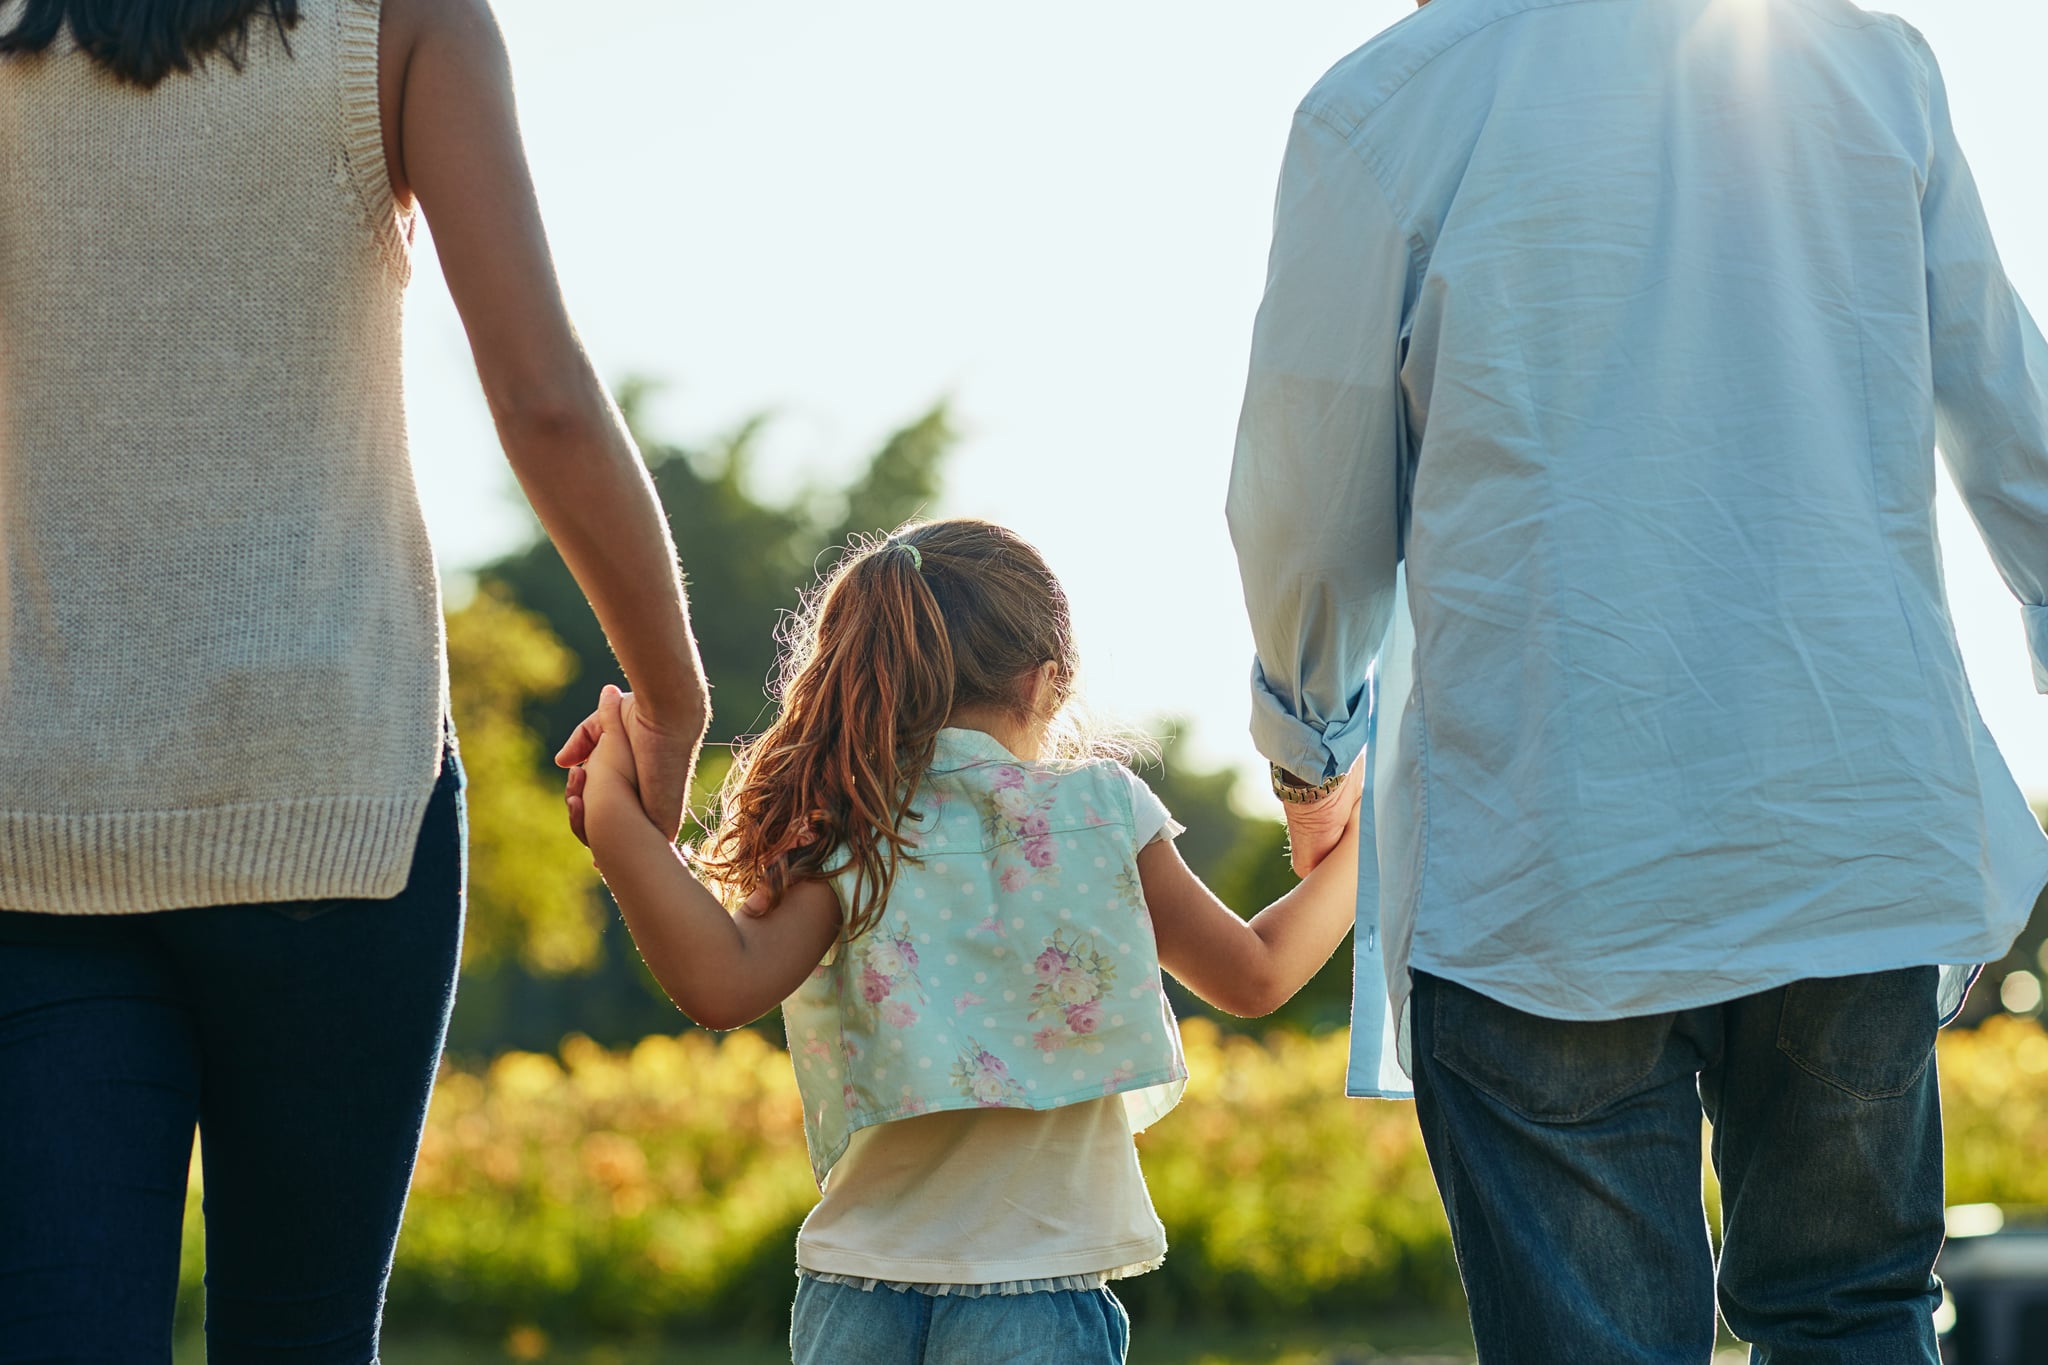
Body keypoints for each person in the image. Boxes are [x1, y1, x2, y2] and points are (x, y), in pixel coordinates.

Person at [1227, 0, 2048, 1360]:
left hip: (1549, 850)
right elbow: (2011, 406)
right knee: (1851, 1316)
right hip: (1848, 823)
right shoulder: (1866, 62)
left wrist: (1312, 743)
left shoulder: (1385, 107)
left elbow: (1309, 504)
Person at [0, 0, 708, 1359]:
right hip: (339, 806)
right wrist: (670, 694)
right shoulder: (403, 19)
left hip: (42, 818)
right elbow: (541, 395)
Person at [566, 517, 1363, 1365]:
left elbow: (721, 983)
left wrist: (618, 818)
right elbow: (1257, 975)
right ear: (1044, 680)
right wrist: (1368, 840)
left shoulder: (853, 822)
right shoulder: (1097, 810)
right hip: (1034, 1292)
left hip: (852, 1289)